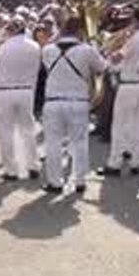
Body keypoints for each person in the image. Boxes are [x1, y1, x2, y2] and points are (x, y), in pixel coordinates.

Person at [40, 16, 109, 194]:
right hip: (78, 101)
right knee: (80, 142)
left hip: (53, 101)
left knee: (53, 143)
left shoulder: (48, 49)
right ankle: (79, 181)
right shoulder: (87, 50)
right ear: (80, 32)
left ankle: (55, 182)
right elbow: (102, 68)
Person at [101, 7, 139, 177]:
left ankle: (114, 163)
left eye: (132, 20)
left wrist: (108, 53)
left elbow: (118, 57)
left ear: (138, 20)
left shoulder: (136, 37)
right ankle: (137, 161)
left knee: (120, 125)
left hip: (129, 84)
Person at [0, 17, 42, 181]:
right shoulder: (35, 46)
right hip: (26, 91)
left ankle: (11, 170)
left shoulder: (2, 48)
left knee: (5, 131)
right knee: (28, 130)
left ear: (11, 31)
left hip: (5, 91)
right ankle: (33, 165)